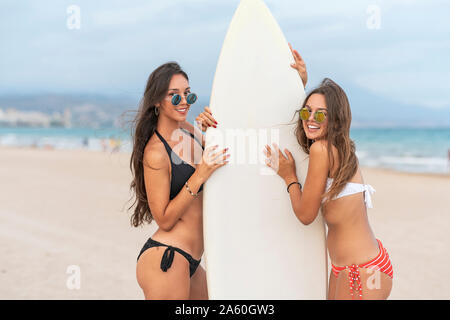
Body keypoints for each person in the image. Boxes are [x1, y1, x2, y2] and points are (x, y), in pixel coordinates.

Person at [199, 45, 393, 300]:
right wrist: (298, 83)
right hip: (358, 266)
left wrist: (289, 176)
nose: (310, 119)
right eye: (306, 111)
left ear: (335, 118)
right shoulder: (338, 148)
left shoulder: (322, 150)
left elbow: (305, 214)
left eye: (320, 115)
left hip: (360, 273)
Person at [128, 62, 229, 300]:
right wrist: (200, 174)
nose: (183, 101)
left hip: (191, 261)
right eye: (174, 96)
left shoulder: (189, 132)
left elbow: (226, 159)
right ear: (157, 101)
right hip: (168, 257)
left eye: (187, 94)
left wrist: (213, 129)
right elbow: (164, 218)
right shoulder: (156, 152)